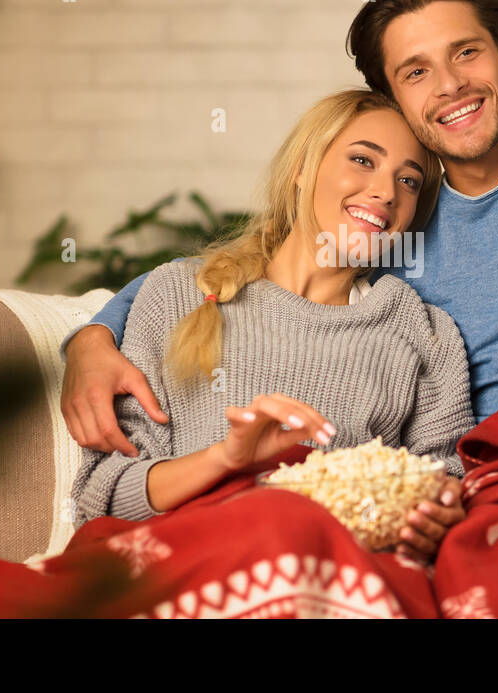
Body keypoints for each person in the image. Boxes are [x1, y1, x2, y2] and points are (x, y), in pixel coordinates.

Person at [60, 0, 498, 557]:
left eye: (468, 52)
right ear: (395, 100)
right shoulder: (401, 228)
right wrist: (91, 337)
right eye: (417, 71)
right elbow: (238, 272)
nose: (452, 83)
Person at [70, 87, 473, 563]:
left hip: (334, 581)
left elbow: (445, 482)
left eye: (408, 181)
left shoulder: (424, 333)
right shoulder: (180, 294)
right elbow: (104, 496)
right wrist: (227, 460)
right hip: (189, 567)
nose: (386, 191)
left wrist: (434, 519)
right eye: (363, 160)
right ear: (303, 169)